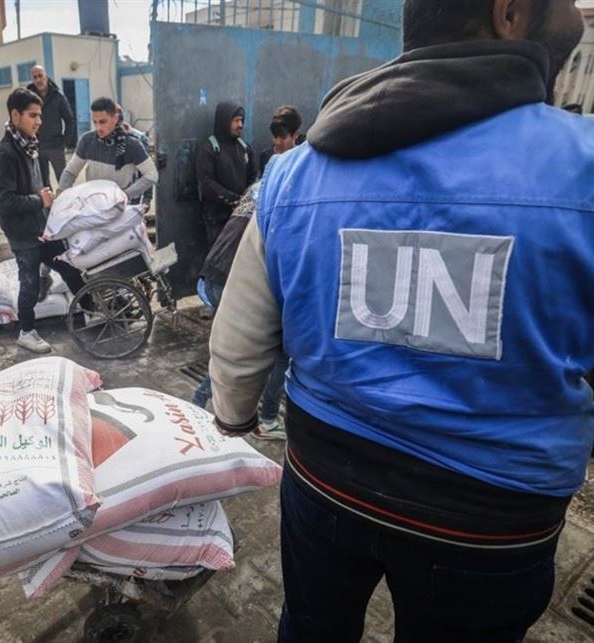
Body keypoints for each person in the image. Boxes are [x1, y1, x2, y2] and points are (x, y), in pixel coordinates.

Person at [208, 0, 592, 641]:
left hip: (327, 479)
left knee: (312, 628)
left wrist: (233, 414)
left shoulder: (295, 174)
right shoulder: (581, 167)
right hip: (492, 517)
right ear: (509, 13)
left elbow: (241, 331)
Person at [0, 88, 87, 354]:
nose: (39, 121)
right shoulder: (6, 154)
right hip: (23, 234)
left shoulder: (30, 146)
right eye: (33, 115)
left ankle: (92, 309)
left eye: (40, 116)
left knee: (69, 267)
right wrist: (39, 200)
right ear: (15, 115)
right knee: (30, 282)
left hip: (41, 227)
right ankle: (26, 332)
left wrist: (49, 201)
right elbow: (4, 201)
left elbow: (39, 184)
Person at [191, 183, 287, 441]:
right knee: (279, 353)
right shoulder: (291, 196)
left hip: (210, 275)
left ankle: (199, 400)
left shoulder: (260, 187)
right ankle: (267, 420)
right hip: (230, 279)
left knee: (234, 346)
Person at [58, 96, 158, 202]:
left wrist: (126, 195)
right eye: (95, 122)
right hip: (94, 203)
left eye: (103, 122)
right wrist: (61, 194)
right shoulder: (87, 140)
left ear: (115, 118)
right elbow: (71, 172)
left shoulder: (132, 145)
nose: (98, 128)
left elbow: (152, 174)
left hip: (120, 205)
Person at [195, 101, 257, 248]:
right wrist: (233, 200)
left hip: (242, 215)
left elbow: (253, 176)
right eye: (236, 121)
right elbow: (206, 182)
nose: (240, 125)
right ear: (224, 121)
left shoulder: (244, 148)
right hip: (217, 218)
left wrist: (245, 200)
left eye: (241, 120)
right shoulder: (208, 149)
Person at [27, 65, 76, 187]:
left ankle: (66, 199)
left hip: (56, 147)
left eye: (40, 76)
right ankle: (47, 200)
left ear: (46, 76)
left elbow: (70, 119)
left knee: (64, 181)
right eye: (35, 77)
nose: (38, 80)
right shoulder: (28, 98)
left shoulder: (58, 96)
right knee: (42, 183)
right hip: (37, 147)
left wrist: (65, 142)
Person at [258, 106, 302, 176]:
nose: (278, 142)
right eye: (275, 136)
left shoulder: (302, 159)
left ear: (296, 134)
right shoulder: (266, 156)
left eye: (283, 137)